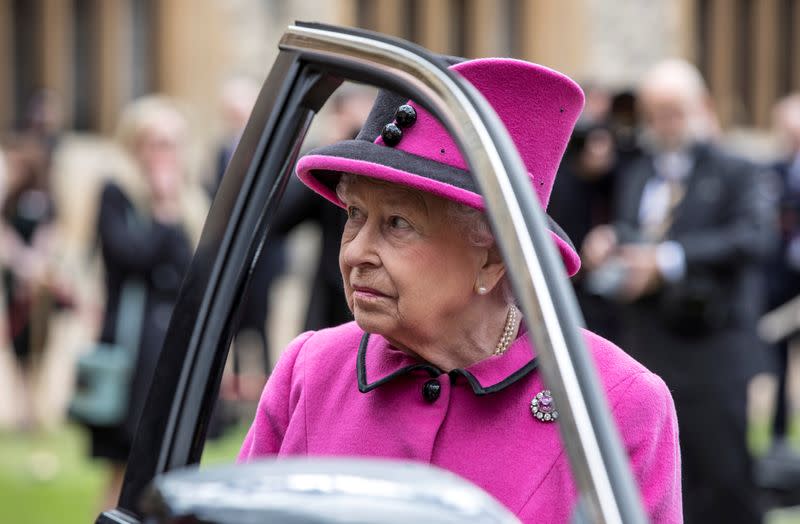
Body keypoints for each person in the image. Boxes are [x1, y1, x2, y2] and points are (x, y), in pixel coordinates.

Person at [238, 58, 681, 522]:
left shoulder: (617, 405)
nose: (356, 253)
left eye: (398, 223)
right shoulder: (310, 371)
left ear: (493, 257)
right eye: (354, 215)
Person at [582, 59, 775, 523]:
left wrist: (667, 261)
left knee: (721, 477)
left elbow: (755, 238)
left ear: (702, 107)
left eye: (673, 111)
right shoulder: (639, 172)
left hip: (712, 349)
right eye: (654, 113)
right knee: (656, 479)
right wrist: (612, 243)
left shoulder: (738, 169)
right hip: (648, 344)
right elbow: (637, 231)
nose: (663, 123)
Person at [88, 96, 207, 510]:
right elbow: (129, 256)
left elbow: (194, 272)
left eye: (172, 143)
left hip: (173, 348)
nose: (164, 154)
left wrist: (174, 209)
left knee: (172, 468)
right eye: (154, 143)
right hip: (132, 351)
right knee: (124, 471)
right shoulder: (117, 193)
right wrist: (162, 210)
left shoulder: (193, 200)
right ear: (134, 146)